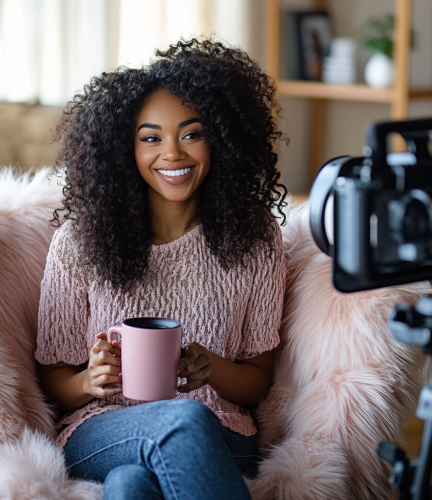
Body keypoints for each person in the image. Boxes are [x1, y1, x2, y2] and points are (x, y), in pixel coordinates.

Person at [35, 37, 287, 500]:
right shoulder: (79, 242)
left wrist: (210, 367)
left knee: (131, 487)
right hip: (103, 429)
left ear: (223, 139)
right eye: (151, 138)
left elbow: (256, 381)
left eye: (192, 133)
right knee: (181, 420)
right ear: (123, 150)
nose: (173, 154)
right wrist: (89, 381)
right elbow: (53, 381)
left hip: (223, 431)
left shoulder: (255, 239)